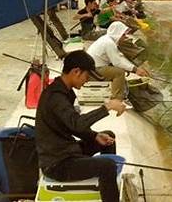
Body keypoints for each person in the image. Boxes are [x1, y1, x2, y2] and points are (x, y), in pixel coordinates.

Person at [35, 50, 126, 202]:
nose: (87, 81)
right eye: (86, 76)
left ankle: (105, 188)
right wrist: (107, 107)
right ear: (76, 71)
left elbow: (71, 125)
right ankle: (107, 185)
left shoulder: (65, 92)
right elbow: (76, 124)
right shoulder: (56, 97)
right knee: (108, 166)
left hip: (67, 151)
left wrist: (95, 136)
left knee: (108, 136)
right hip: (58, 164)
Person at [87, 21, 150, 100]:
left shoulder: (107, 39)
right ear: (116, 33)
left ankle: (119, 94)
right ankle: (117, 99)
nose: (125, 37)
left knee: (118, 70)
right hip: (93, 72)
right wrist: (135, 69)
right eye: (123, 34)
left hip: (93, 68)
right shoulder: (109, 43)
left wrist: (132, 68)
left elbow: (120, 58)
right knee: (119, 73)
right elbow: (117, 62)